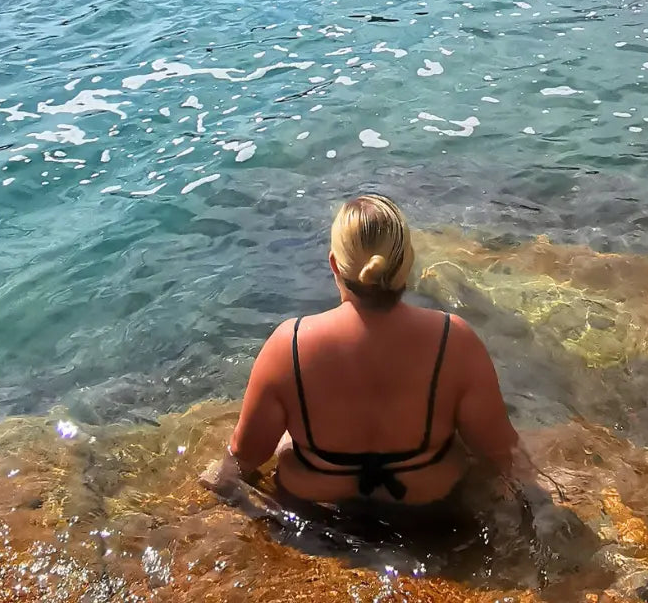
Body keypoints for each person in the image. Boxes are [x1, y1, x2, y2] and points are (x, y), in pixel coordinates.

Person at [207, 193, 524, 508]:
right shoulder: (453, 339)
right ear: (407, 261)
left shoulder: (289, 343)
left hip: (317, 516)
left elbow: (244, 456)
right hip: (428, 511)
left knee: (287, 444)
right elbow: (499, 452)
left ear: (334, 263)